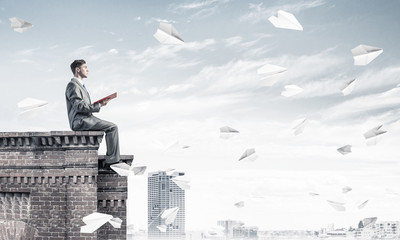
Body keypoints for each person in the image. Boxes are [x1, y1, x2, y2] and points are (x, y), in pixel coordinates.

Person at [65, 59, 120, 169]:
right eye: (85, 67)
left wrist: (99, 103)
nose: (87, 70)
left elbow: (81, 105)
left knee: (111, 127)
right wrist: (99, 105)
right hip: (80, 121)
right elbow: (79, 106)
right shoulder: (73, 85)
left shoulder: (79, 85)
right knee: (112, 127)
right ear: (77, 69)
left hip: (87, 118)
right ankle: (111, 162)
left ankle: (111, 159)